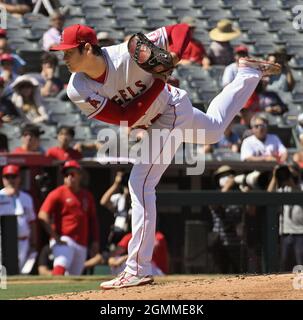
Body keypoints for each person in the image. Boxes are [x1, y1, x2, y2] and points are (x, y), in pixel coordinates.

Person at [50, 23, 280, 289]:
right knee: (215, 129)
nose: (63, 57)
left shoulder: (128, 52)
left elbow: (181, 29)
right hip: (157, 111)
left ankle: (137, 268)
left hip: (168, 111)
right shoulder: (77, 88)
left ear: (87, 48)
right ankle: (248, 72)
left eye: (68, 51)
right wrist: (160, 79)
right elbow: (125, 118)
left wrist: (176, 56)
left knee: (140, 183)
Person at [38, 160, 99, 275]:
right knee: (61, 264)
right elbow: (42, 215)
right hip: (64, 239)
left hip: (82, 242)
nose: (69, 177)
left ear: (80, 175)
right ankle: (52, 292)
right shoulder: (58, 193)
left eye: (72, 174)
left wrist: (95, 240)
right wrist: (55, 236)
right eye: (66, 175)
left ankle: (64, 294)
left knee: (74, 276)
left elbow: (93, 220)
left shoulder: (87, 195)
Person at [0, 164, 37, 273]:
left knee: (20, 272)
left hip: (22, 241)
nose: (11, 180)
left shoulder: (26, 198)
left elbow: (32, 221)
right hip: (3, 242)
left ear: (19, 178)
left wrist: (33, 242)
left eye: (13, 177)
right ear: (3, 179)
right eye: (7, 177)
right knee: (3, 272)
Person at [267, 163, 303, 271]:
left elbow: (298, 192)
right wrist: (275, 177)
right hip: (285, 232)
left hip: (301, 232)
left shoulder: (301, 186)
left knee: (300, 264)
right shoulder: (283, 188)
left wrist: (292, 181)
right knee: (284, 265)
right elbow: (268, 195)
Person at [100, 170, 131, 249]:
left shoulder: (138, 200)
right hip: (118, 234)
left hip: (132, 234)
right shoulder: (119, 198)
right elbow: (103, 201)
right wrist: (116, 183)